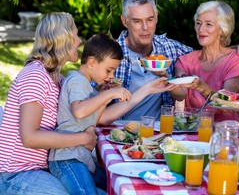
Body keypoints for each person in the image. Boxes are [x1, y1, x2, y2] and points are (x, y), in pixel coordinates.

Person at [48, 34, 173, 194]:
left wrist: (147, 89)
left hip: (80, 158)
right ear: (92, 63)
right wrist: (107, 95)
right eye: (109, 70)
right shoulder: (77, 80)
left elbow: (102, 118)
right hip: (66, 159)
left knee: (117, 182)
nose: (112, 76)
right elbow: (79, 111)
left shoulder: (89, 88)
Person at [114, 0, 239, 120]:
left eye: (150, 19)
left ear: (156, 18)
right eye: (137, 21)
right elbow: (92, 96)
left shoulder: (169, 49)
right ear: (125, 21)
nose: (145, 27)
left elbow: (210, 52)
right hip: (117, 130)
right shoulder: (110, 55)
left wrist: (234, 50)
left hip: (158, 132)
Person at [0, 12, 97, 194]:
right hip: (15, 174)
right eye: (75, 35)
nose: (79, 41)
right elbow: (30, 138)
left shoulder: (57, 79)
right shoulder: (35, 76)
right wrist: (84, 138)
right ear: (63, 40)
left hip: (40, 169)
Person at [169, 0, 239, 122]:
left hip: (225, 132)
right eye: (198, 23)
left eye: (208, 24)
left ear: (222, 29)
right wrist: (165, 77)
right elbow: (180, 95)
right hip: (192, 131)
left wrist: (201, 87)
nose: (201, 29)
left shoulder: (236, 60)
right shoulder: (185, 61)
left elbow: (226, 102)